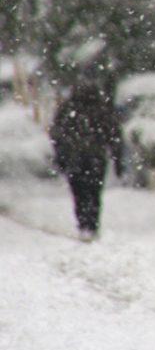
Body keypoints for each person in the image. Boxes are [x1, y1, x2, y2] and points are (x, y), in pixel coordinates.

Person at [49, 76, 123, 241]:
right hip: (96, 159)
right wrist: (117, 158)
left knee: (79, 192)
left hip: (75, 160)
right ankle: (92, 223)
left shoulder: (67, 109)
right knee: (94, 192)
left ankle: (84, 223)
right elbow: (114, 135)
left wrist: (61, 157)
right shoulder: (101, 109)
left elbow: (57, 135)